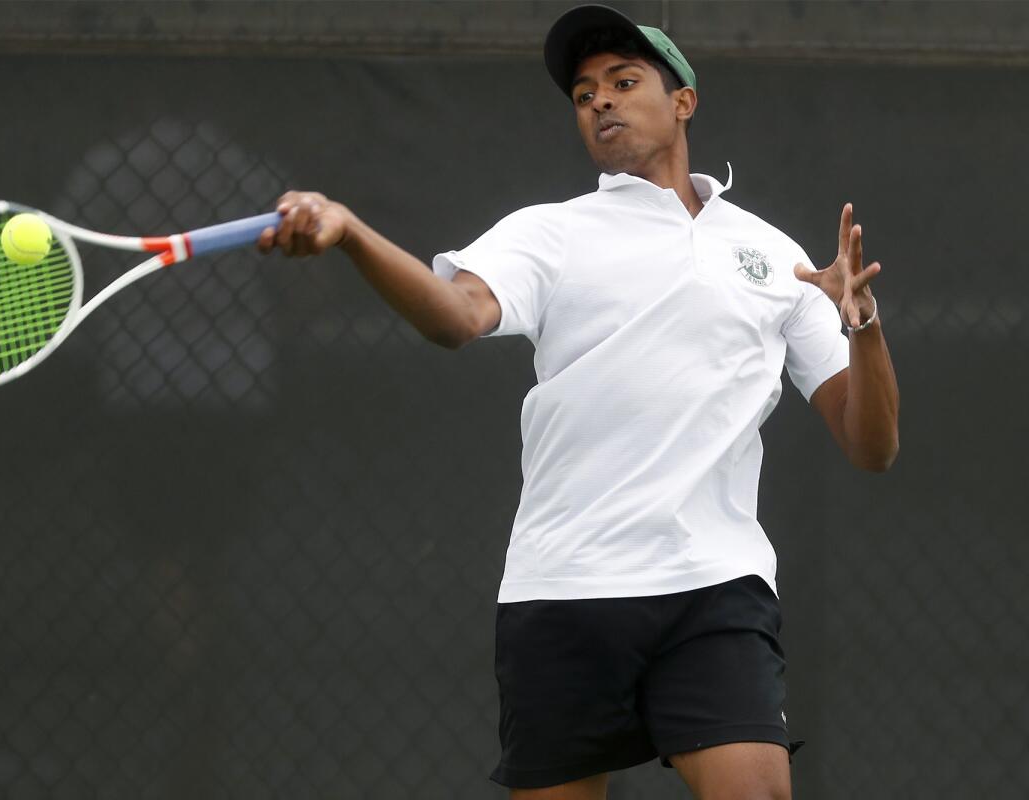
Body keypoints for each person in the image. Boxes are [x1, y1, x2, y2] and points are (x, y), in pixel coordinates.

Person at [257, 5, 899, 799]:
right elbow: (455, 317)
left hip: (715, 588)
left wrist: (862, 324)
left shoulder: (775, 256)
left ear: (683, 102)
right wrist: (351, 233)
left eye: (625, 83)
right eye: (585, 93)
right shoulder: (550, 234)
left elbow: (872, 445)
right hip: (565, 588)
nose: (600, 101)